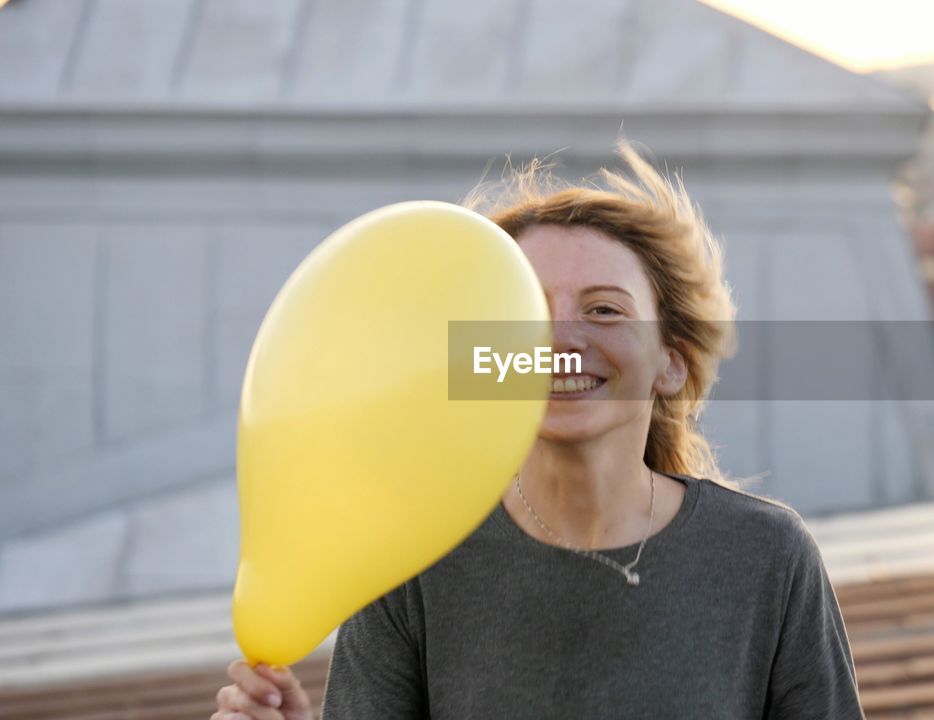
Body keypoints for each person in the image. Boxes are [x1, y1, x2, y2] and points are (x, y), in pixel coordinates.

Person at [212, 142, 863, 720]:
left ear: (671, 361)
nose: (559, 342)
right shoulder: (413, 565)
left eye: (604, 309)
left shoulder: (767, 557)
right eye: (524, 311)